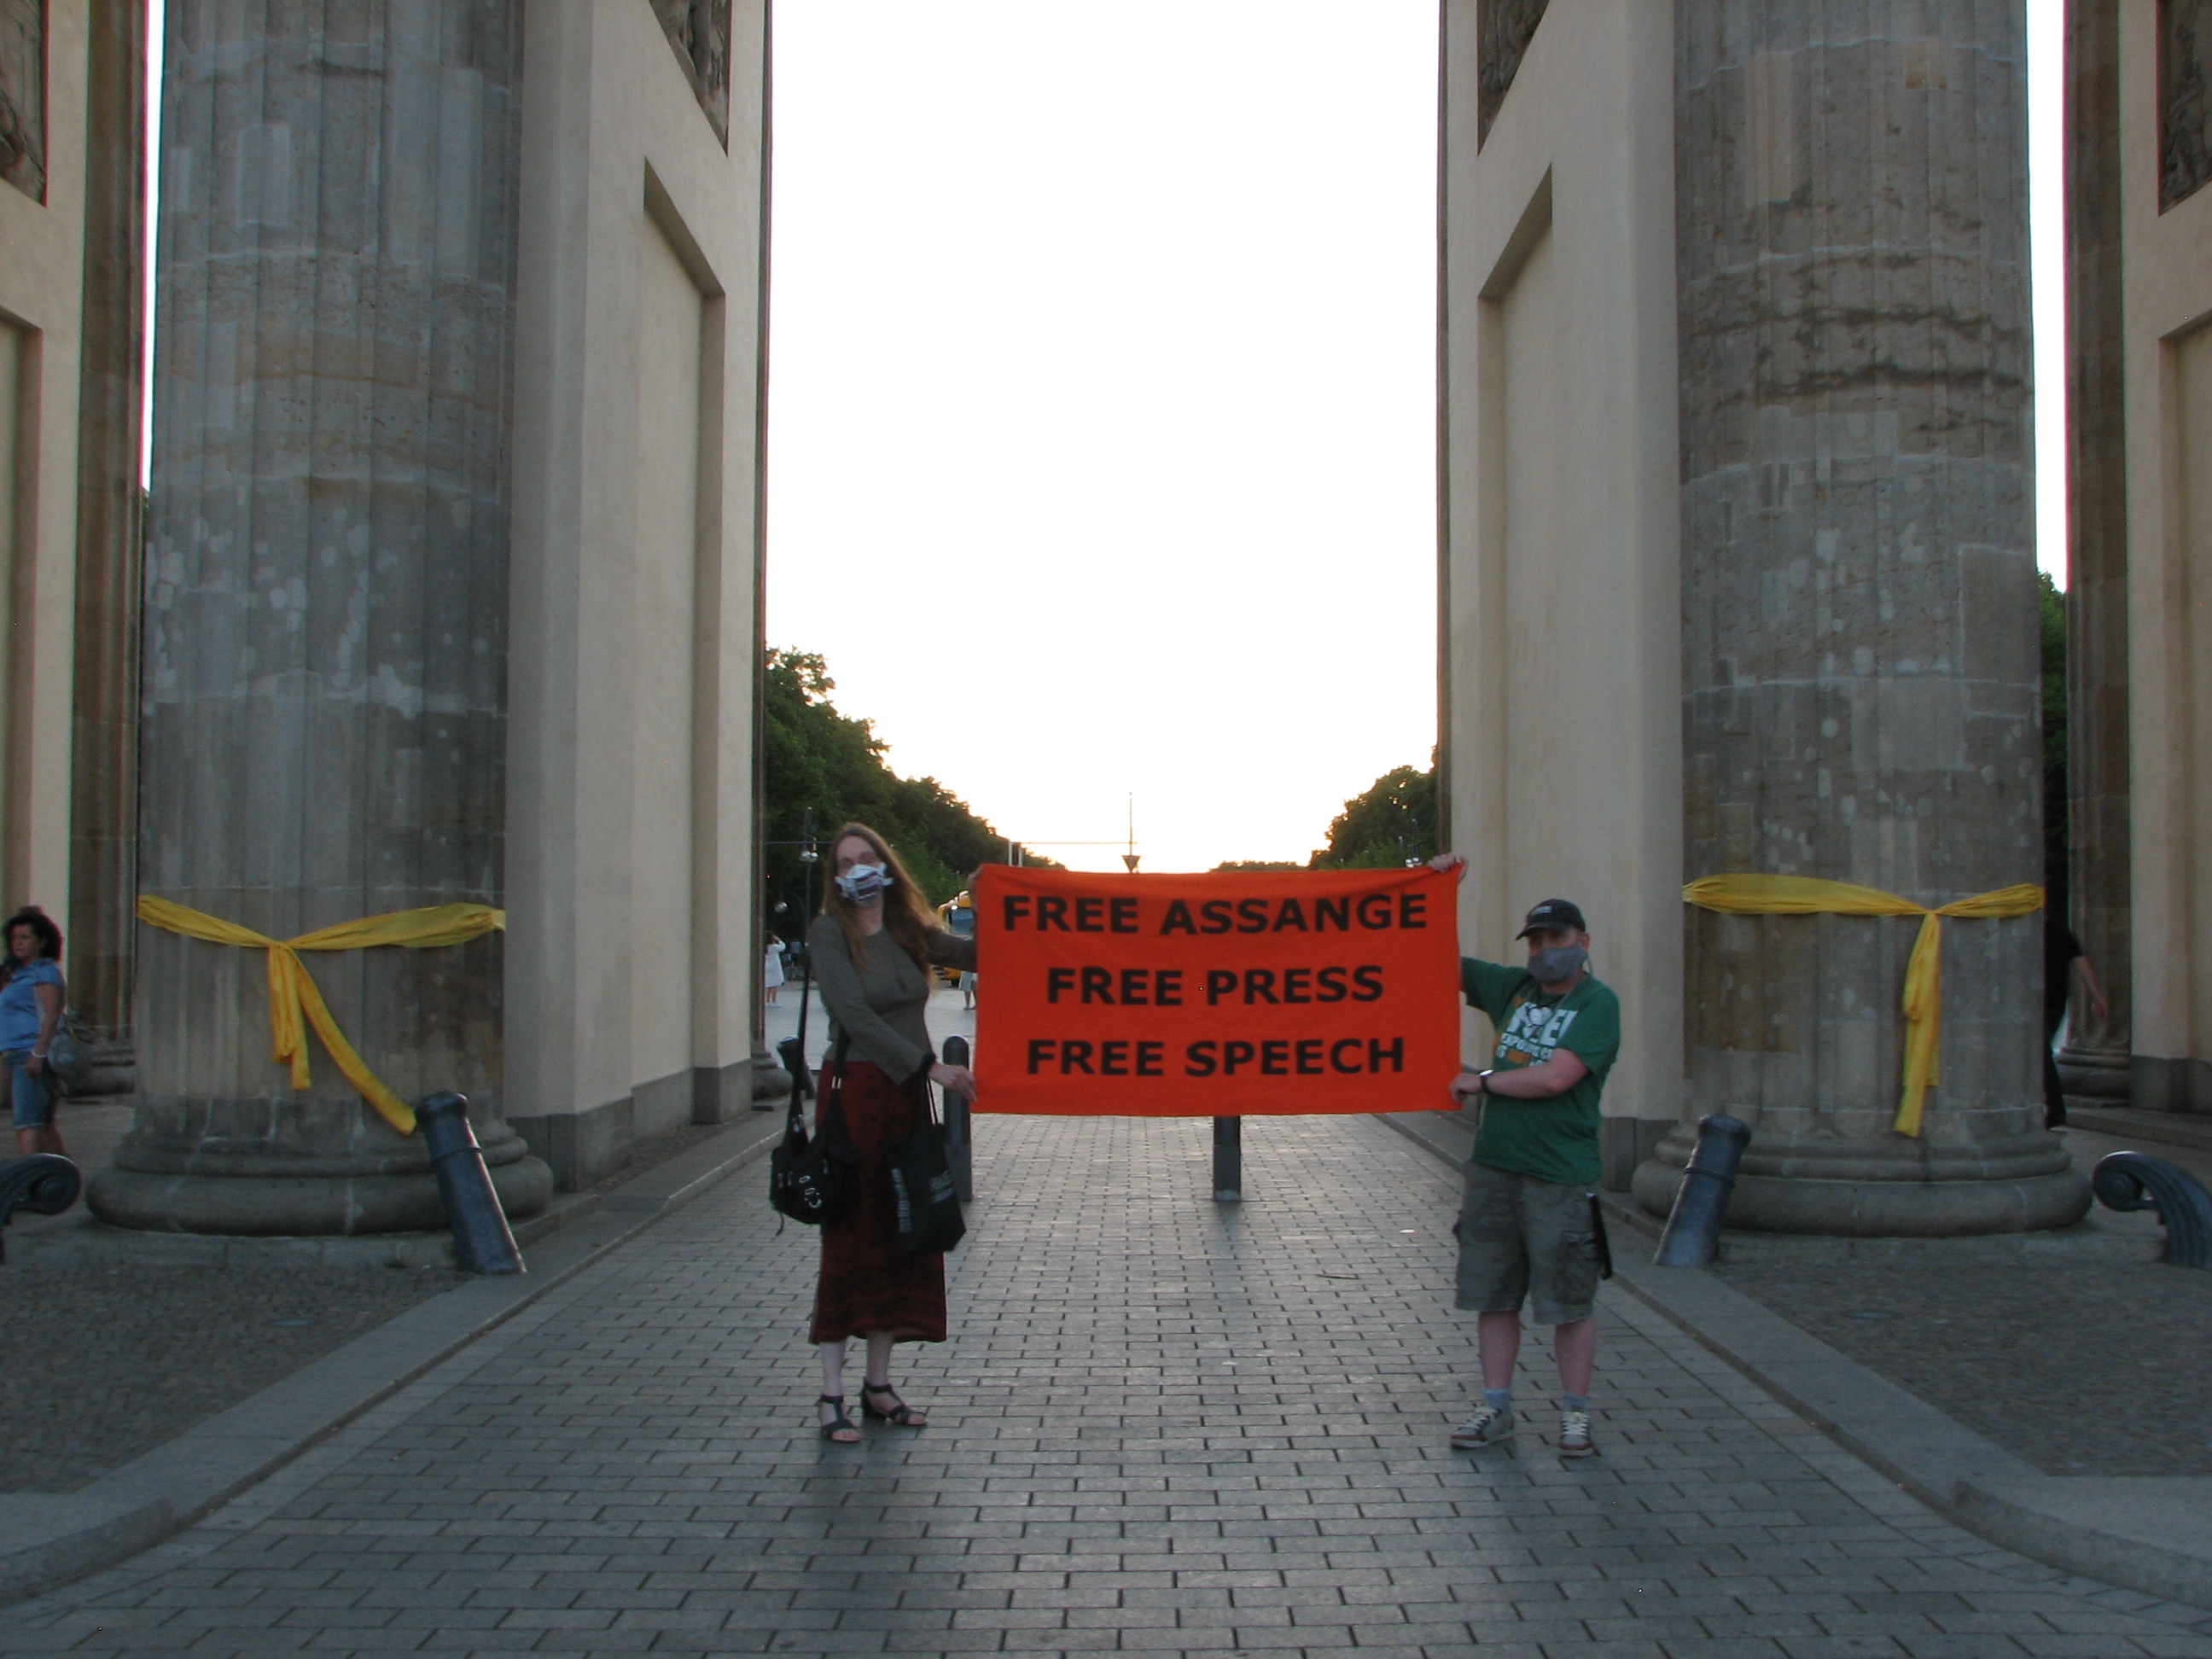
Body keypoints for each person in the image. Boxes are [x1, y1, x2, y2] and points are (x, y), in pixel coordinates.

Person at [1429, 864, 1621, 1458]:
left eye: (1556, 940)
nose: (1545, 951)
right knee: (1494, 1292)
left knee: (1568, 1300)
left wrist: (1482, 1082)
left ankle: (1576, 1415)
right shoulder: (1514, 989)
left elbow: (1557, 1078)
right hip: (1494, 1168)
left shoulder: (1597, 1004)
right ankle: (1496, 1405)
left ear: (1582, 943)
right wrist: (1435, 894)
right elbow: (1436, 961)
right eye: (1536, 941)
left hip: (1559, 1175)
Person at [805, 824, 978, 1443]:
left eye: (867, 859)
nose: (858, 871)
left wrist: (997, 900)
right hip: (857, 1092)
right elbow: (848, 1011)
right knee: (852, 1233)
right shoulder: (831, 932)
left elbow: (968, 955)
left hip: (903, 1095)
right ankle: (831, 1394)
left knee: (903, 1230)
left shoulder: (906, 931)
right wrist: (928, 1065)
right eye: (846, 863)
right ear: (837, 877)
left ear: (884, 865)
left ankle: (878, 1386)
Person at [1, 906, 68, 1157]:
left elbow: (52, 1014)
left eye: (25, 937)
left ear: (41, 942)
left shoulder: (44, 972)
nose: (17, 943)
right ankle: (59, 1174)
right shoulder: (19, 975)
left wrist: (38, 1055)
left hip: (30, 1052)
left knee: (28, 1123)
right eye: (14, 938)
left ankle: (32, 1179)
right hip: (16, 1053)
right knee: (41, 1122)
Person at [2042, 916, 2108, 1130]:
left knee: (2039, 1053)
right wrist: (2097, 997)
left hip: (2045, 1003)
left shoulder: (2048, 929)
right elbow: (2080, 961)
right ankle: (2051, 1107)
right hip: (2052, 1002)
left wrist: (2097, 997)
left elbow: (2079, 961)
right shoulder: (2058, 929)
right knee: (2040, 1053)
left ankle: (2056, 1108)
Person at [763, 933, 786, 1008]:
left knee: (768, 984)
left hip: (767, 966)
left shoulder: (765, 947)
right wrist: (778, 940)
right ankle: (774, 1001)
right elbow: (783, 947)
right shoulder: (774, 947)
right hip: (774, 967)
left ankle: (767, 1001)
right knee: (774, 985)